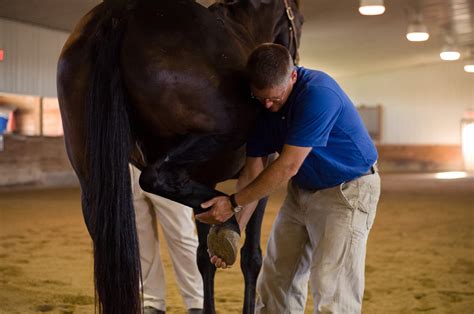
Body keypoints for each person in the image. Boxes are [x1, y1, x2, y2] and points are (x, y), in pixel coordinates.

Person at [195, 43, 381, 313]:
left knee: (333, 290)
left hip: (347, 191)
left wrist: (232, 202)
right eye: (261, 98)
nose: (268, 105)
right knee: (275, 282)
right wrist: (234, 226)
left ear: (292, 76)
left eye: (275, 98)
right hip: (303, 190)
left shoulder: (319, 94)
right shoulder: (261, 108)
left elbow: (287, 166)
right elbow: (253, 170)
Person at [130, 164, 204, 314]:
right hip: (127, 161)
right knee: (139, 236)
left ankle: (198, 301)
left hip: (163, 163)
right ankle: (151, 301)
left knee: (181, 234)